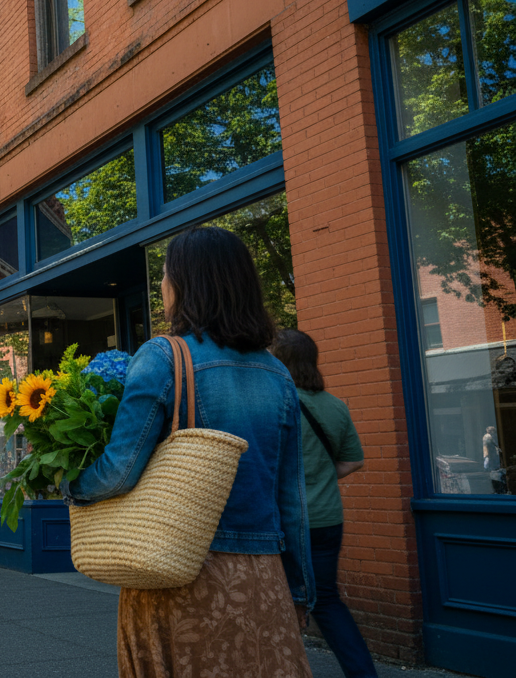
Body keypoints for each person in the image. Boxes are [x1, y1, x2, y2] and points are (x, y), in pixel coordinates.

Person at [64, 226, 314, 677]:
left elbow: (121, 470)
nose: (161, 285)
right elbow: (292, 501)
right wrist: (299, 591)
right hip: (263, 579)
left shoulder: (162, 356)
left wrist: (71, 485)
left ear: (185, 284)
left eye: (165, 275)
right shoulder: (277, 373)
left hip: (178, 570)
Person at [273, 329, 377, 678]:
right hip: (328, 519)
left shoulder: (276, 402)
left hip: (286, 522)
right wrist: (317, 477)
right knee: (327, 601)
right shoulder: (335, 405)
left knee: (279, 604)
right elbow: (352, 462)